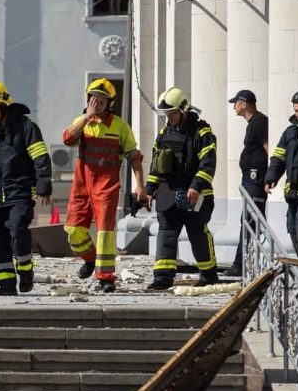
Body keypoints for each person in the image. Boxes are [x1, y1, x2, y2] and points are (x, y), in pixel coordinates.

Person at [62, 78, 146, 292]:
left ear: (111, 103)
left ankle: (106, 277)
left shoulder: (119, 127)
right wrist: (86, 118)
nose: (96, 103)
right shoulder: (82, 122)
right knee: (73, 230)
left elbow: (134, 157)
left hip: (106, 187)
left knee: (105, 233)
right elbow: (67, 139)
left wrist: (140, 186)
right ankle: (91, 259)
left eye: (101, 100)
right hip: (81, 186)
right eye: (93, 99)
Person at [0, 80, 52, 295]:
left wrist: (44, 186)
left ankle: (26, 271)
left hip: (20, 192)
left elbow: (40, 157)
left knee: (18, 230)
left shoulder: (26, 127)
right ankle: (6, 285)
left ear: (4, 104)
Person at [146, 87, 219, 290]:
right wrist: (149, 189)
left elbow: (208, 163)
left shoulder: (202, 132)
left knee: (198, 233)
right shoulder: (164, 134)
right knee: (166, 234)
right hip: (168, 193)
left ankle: (208, 275)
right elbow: (156, 165)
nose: (169, 118)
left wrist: (196, 186)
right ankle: (162, 277)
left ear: (183, 110)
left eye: (172, 113)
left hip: (194, 194)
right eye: (166, 115)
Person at [264, 90, 298, 258]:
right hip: (292, 192)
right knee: (293, 228)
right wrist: (271, 177)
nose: (297, 114)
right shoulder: (290, 132)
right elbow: (278, 157)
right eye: (295, 110)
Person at [224, 90, 268, 276]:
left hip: (255, 179)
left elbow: (268, 147)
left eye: (236, 103)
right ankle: (243, 262)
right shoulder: (253, 123)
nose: (234, 106)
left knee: (250, 219)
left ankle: (241, 264)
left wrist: (271, 175)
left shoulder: (259, 122)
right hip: (250, 178)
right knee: (247, 220)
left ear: (244, 104)